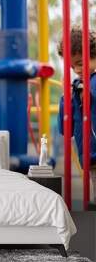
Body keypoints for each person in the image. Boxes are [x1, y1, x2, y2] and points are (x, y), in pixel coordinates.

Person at [57, 26, 96, 203]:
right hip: (91, 158)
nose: (77, 70)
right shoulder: (75, 88)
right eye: (72, 66)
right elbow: (66, 129)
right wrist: (66, 96)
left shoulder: (89, 84)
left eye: (80, 63)